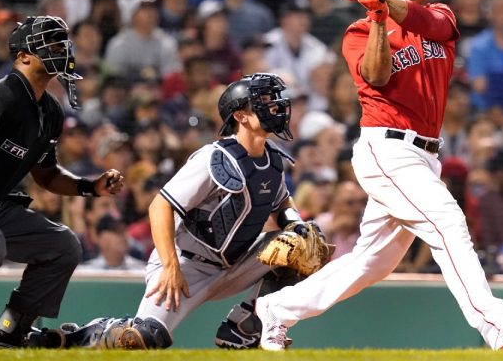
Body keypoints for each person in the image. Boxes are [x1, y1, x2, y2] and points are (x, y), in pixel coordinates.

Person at [254, 0, 503, 352]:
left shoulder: (441, 15)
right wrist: (375, 15)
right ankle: (494, 323)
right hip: (386, 148)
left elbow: (429, 21)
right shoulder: (358, 33)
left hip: (426, 155)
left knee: (372, 262)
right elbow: (376, 74)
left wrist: (383, 2)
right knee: (447, 221)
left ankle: (277, 310)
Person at [31, 73, 317, 350]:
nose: (275, 105)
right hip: (187, 263)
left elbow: (282, 205)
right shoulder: (214, 158)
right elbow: (160, 206)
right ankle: (78, 337)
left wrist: (295, 225)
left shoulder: (272, 158)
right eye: (264, 100)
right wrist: (170, 266)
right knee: (143, 337)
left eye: (273, 99)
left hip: (236, 262)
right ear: (240, 115)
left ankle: (245, 327)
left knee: (305, 240)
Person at [0, 16, 125, 348]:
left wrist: (89, 187)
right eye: (51, 43)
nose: (61, 48)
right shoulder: (2, 96)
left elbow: (46, 175)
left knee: (62, 245)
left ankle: (11, 330)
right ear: (23, 56)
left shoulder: (51, 110)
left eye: (62, 42)